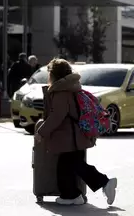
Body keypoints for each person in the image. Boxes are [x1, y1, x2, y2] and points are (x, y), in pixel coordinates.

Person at [35, 58, 117, 206]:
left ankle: (104, 183)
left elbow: (57, 116)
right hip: (76, 135)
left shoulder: (61, 91)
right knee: (71, 166)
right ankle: (72, 195)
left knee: (72, 166)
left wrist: (41, 132)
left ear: (53, 75)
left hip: (70, 137)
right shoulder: (72, 87)